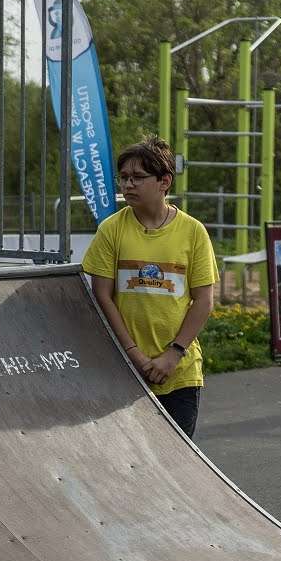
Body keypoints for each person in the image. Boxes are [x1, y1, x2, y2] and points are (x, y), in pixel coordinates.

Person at [81, 135, 217, 438]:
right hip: (122, 369)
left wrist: (173, 354)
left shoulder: (193, 231)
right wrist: (133, 353)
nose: (128, 184)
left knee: (175, 460)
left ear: (164, 181)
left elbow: (204, 301)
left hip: (179, 373)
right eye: (123, 177)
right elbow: (102, 295)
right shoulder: (111, 229)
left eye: (138, 177)